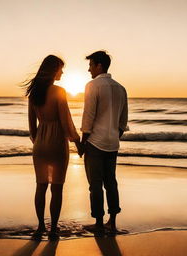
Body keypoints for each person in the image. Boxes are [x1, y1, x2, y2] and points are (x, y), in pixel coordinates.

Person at [26, 55, 81, 240]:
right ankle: (53, 230)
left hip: (40, 145)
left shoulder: (34, 94)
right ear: (53, 70)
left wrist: (40, 141)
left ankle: (40, 227)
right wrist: (77, 141)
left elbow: (32, 128)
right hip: (57, 145)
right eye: (60, 68)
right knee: (56, 189)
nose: (62, 72)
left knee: (40, 186)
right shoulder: (59, 91)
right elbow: (66, 123)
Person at [80, 51, 128, 234]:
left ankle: (99, 223)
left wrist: (84, 142)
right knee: (111, 182)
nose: (88, 69)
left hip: (95, 142)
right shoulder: (121, 88)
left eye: (91, 65)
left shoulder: (93, 85)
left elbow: (88, 116)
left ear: (99, 65)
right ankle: (113, 222)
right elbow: (123, 121)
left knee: (95, 184)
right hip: (113, 143)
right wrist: (114, 137)